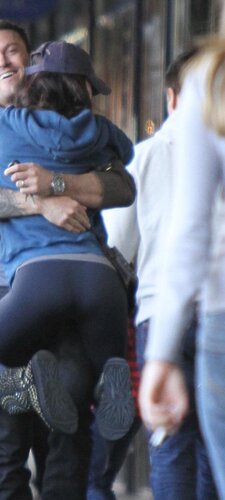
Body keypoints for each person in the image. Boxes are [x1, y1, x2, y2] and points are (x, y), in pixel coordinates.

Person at [0, 20, 136, 500]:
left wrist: (58, 182)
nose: (2, 62)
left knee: (67, 432)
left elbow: (122, 186)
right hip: (3, 291)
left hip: (51, 292)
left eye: (12, 51)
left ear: (31, 63)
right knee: (7, 443)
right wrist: (39, 202)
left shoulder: (24, 122)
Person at [103, 49, 219, 499]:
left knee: (171, 442)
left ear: (171, 98)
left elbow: (118, 246)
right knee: (214, 448)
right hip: (217, 313)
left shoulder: (144, 156)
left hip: (159, 312)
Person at [139, 25, 225, 499]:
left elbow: (193, 231)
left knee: (175, 450)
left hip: (204, 309)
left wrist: (160, 355)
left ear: (169, 98)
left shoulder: (211, 80)